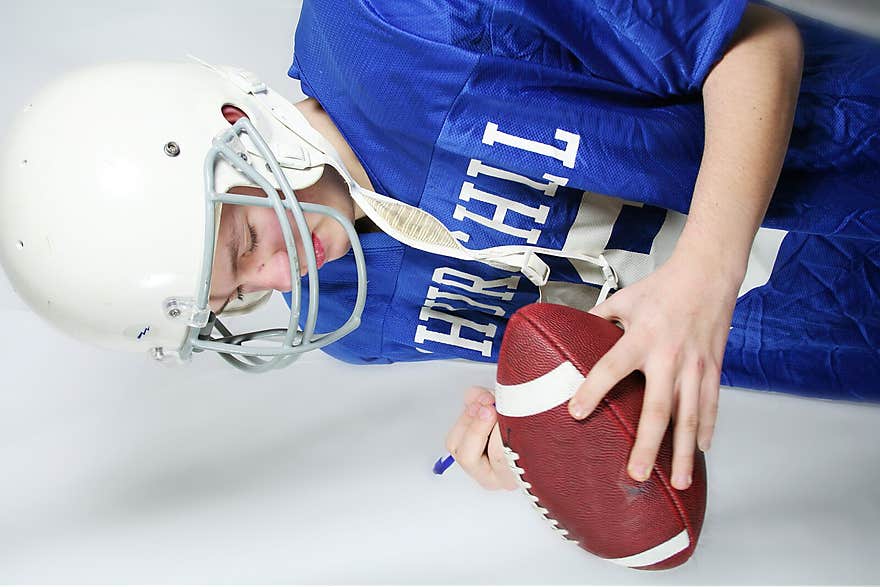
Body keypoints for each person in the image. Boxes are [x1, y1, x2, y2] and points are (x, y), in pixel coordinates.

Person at [1, 1, 877, 496]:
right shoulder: (350, 319)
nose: (284, 275)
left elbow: (753, 43)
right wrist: (554, 428)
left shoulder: (399, 23)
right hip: (839, 340)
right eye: (237, 297)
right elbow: (619, 322)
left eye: (242, 238)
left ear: (229, 122)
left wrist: (705, 270)